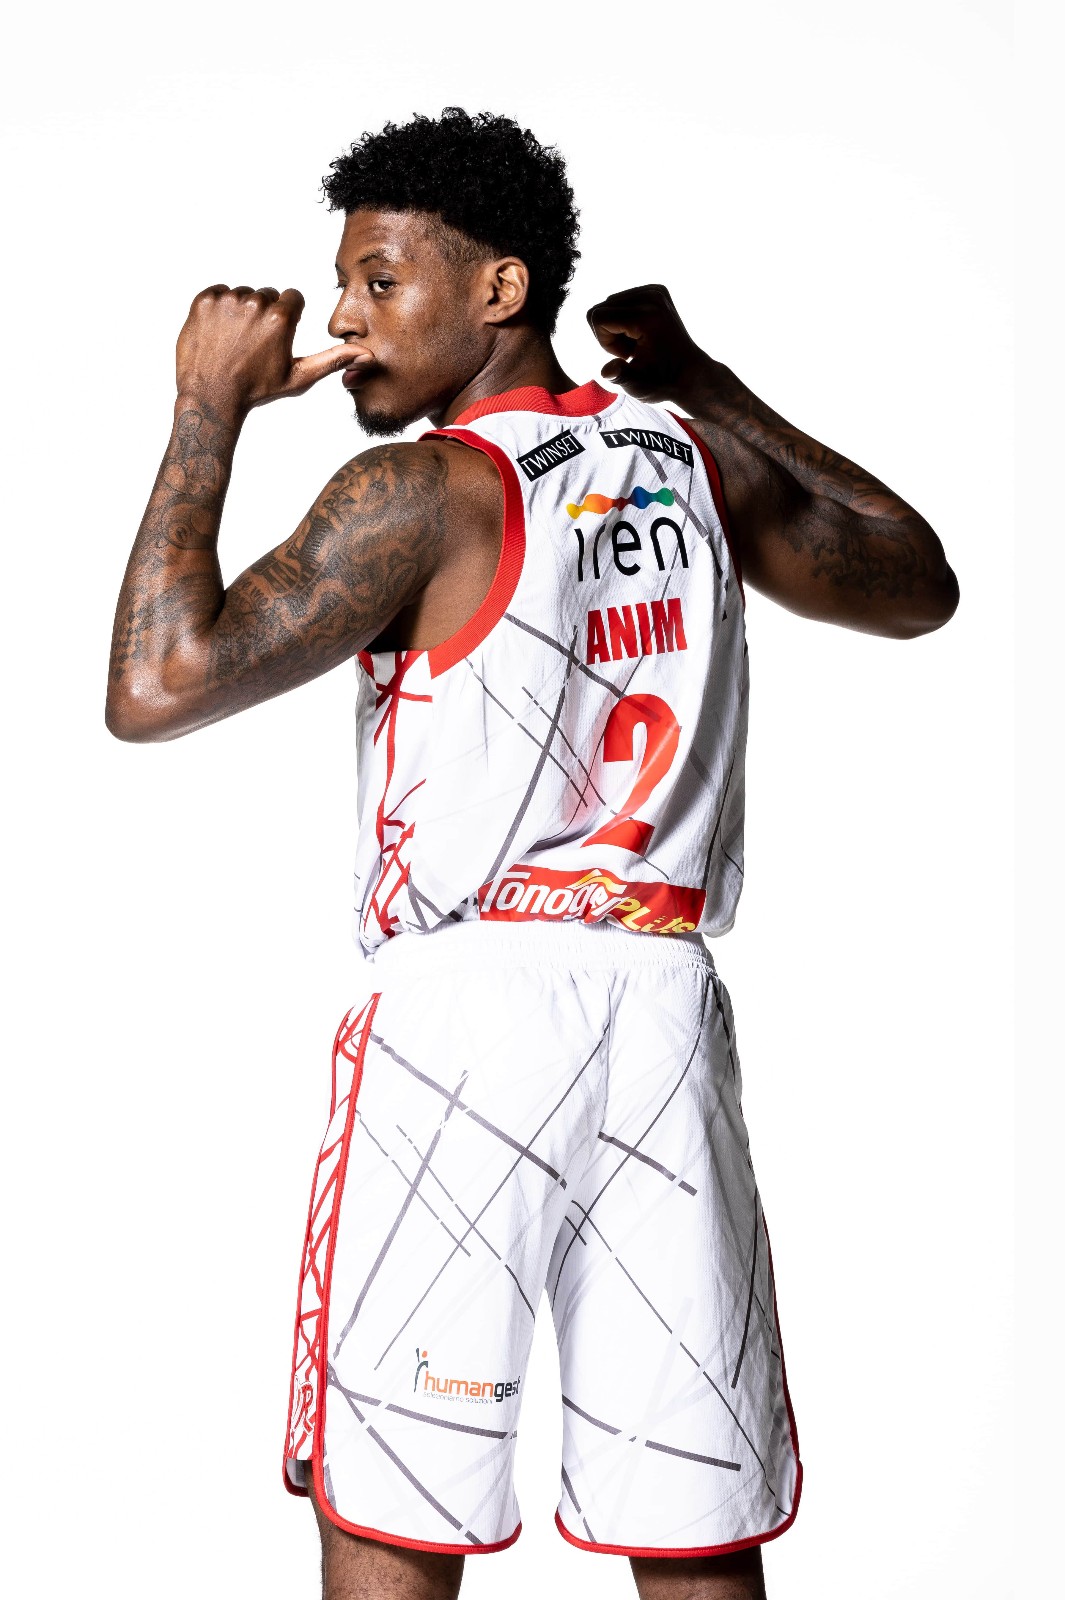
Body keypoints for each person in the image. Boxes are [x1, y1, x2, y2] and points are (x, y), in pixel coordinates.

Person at [105, 107, 958, 1600]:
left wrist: (206, 410)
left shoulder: (416, 492)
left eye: (380, 282)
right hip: (662, 1012)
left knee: (398, 1501)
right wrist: (710, 387)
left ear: (500, 290)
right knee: (691, 1517)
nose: (346, 321)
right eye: (345, 285)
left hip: (468, 1022)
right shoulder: (693, 460)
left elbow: (155, 686)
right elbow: (913, 581)